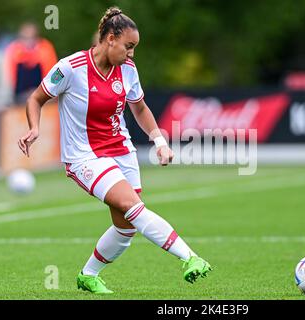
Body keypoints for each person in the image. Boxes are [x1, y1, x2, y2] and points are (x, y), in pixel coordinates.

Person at [17, 7, 212, 294]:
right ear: (110, 39)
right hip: (85, 156)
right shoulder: (70, 68)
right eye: (128, 47)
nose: (131, 54)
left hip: (122, 151)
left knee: (126, 228)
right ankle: (190, 258)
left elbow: (140, 108)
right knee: (134, 209)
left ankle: (88, 275)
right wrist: (34, 128)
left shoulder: (128, 70)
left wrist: (160, 142)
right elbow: (36, 98)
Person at [4, 22, 57, 103]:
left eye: (32, 37)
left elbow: (52, 77)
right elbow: (10, 78)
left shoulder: (45, 49)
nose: (29, 41)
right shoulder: (13, 50)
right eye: (25, 38)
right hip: (21, 97)